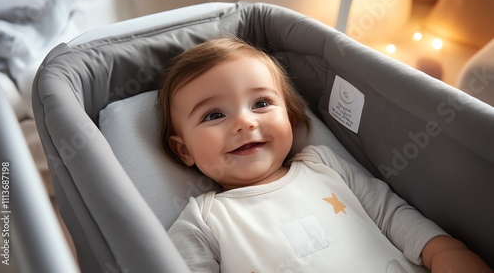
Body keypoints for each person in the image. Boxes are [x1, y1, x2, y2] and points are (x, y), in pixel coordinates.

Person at [158, 37, 492, 272]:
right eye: (214, 115)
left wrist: (443, 249)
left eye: (261, 104)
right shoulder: (204, 221)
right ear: (184, 149)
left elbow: (388, 213)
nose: (244, 122)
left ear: (288, 117)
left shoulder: (323, 164)